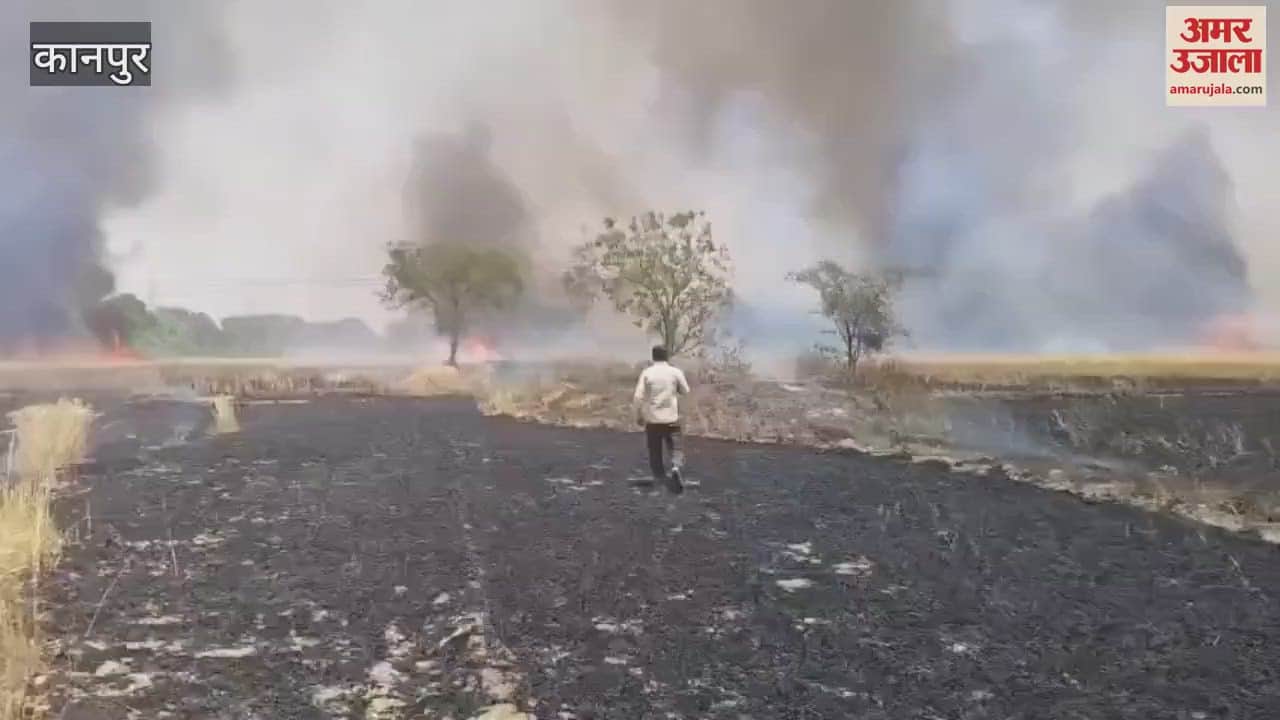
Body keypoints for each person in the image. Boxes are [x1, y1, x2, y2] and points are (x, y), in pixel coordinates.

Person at [633, 345, 690, 491]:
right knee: (675, 447)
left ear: (653, 357)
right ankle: (675, 468)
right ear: (667, 356)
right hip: (671, 418)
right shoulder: (675, 372)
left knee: (655, 449)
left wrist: (638, 414)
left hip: (653, 419)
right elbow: (685, 391)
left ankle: (659, 478)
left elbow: (638, 396)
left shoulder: (647, 373)